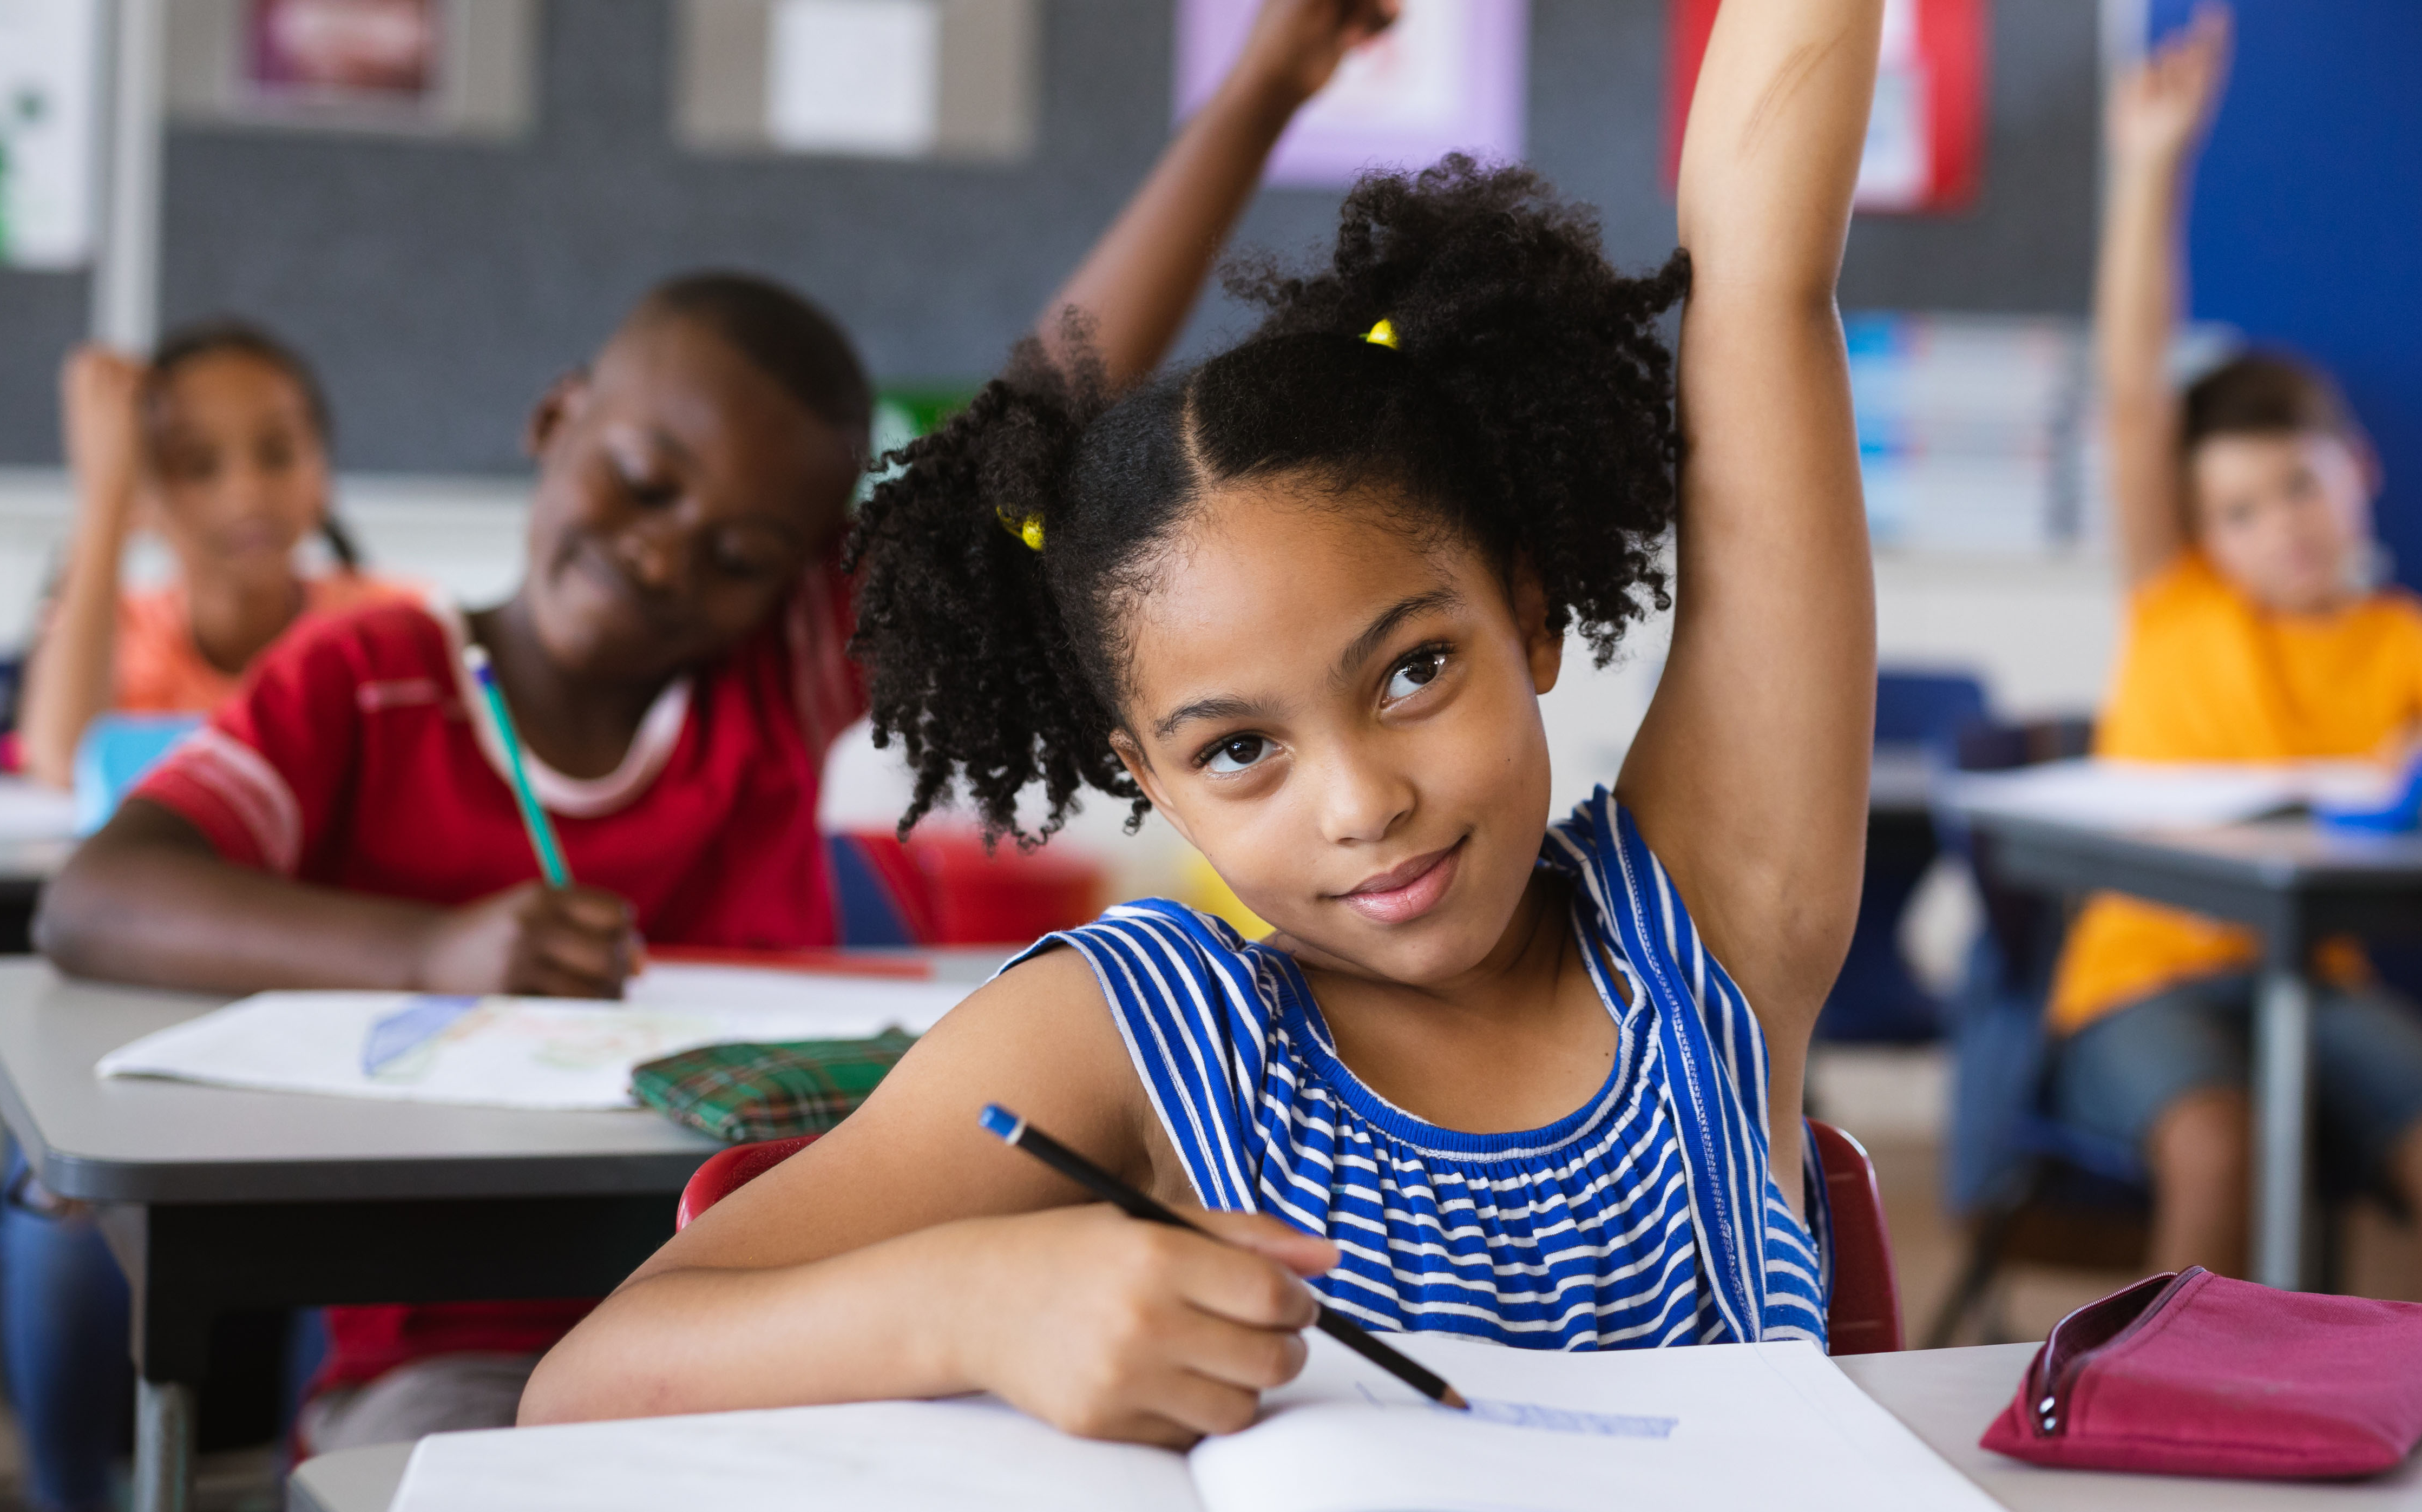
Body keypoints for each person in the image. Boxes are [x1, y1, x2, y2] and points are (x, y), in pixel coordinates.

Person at [30, 0, 1398, 1458]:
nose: (673, 557)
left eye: (745, 550)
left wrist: (1259, 86)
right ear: (560, 421)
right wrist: (424, 954)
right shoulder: (367, 679)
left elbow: (1029, 434)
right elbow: (97, 897)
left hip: (814, 1313)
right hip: (478, 1346)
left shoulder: (774, 667)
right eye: (643, 479)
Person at [513, 0, 1882, 1443]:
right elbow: (584, 1384)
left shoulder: (1710, 925)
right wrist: (974, 1299)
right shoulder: (1136, 1032)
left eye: (1414, 670)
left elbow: (1763, 278)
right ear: (1151, 780)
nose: (1359, 803)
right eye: (1240, 750)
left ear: (1532, 619)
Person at [2046, 8, 2422, 1317]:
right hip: (2141, 983)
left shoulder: (2407, 642)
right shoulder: (2181, 599)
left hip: (2311, 984)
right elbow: (2137, 395)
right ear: (2201, 533)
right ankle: (2150, 1423)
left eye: (2300, 487)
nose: (2279, 527)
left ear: (2359, 473)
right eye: (2240, 510)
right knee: (2219, 1147)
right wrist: (2150, 171)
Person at [16, 323, 408, 791]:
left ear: (324, 474)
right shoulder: (118, 635)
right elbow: (66, 764)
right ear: (147, 499)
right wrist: (106, 500)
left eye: (278, 454)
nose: (247, 497)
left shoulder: (391, 627)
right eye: (199, 466)